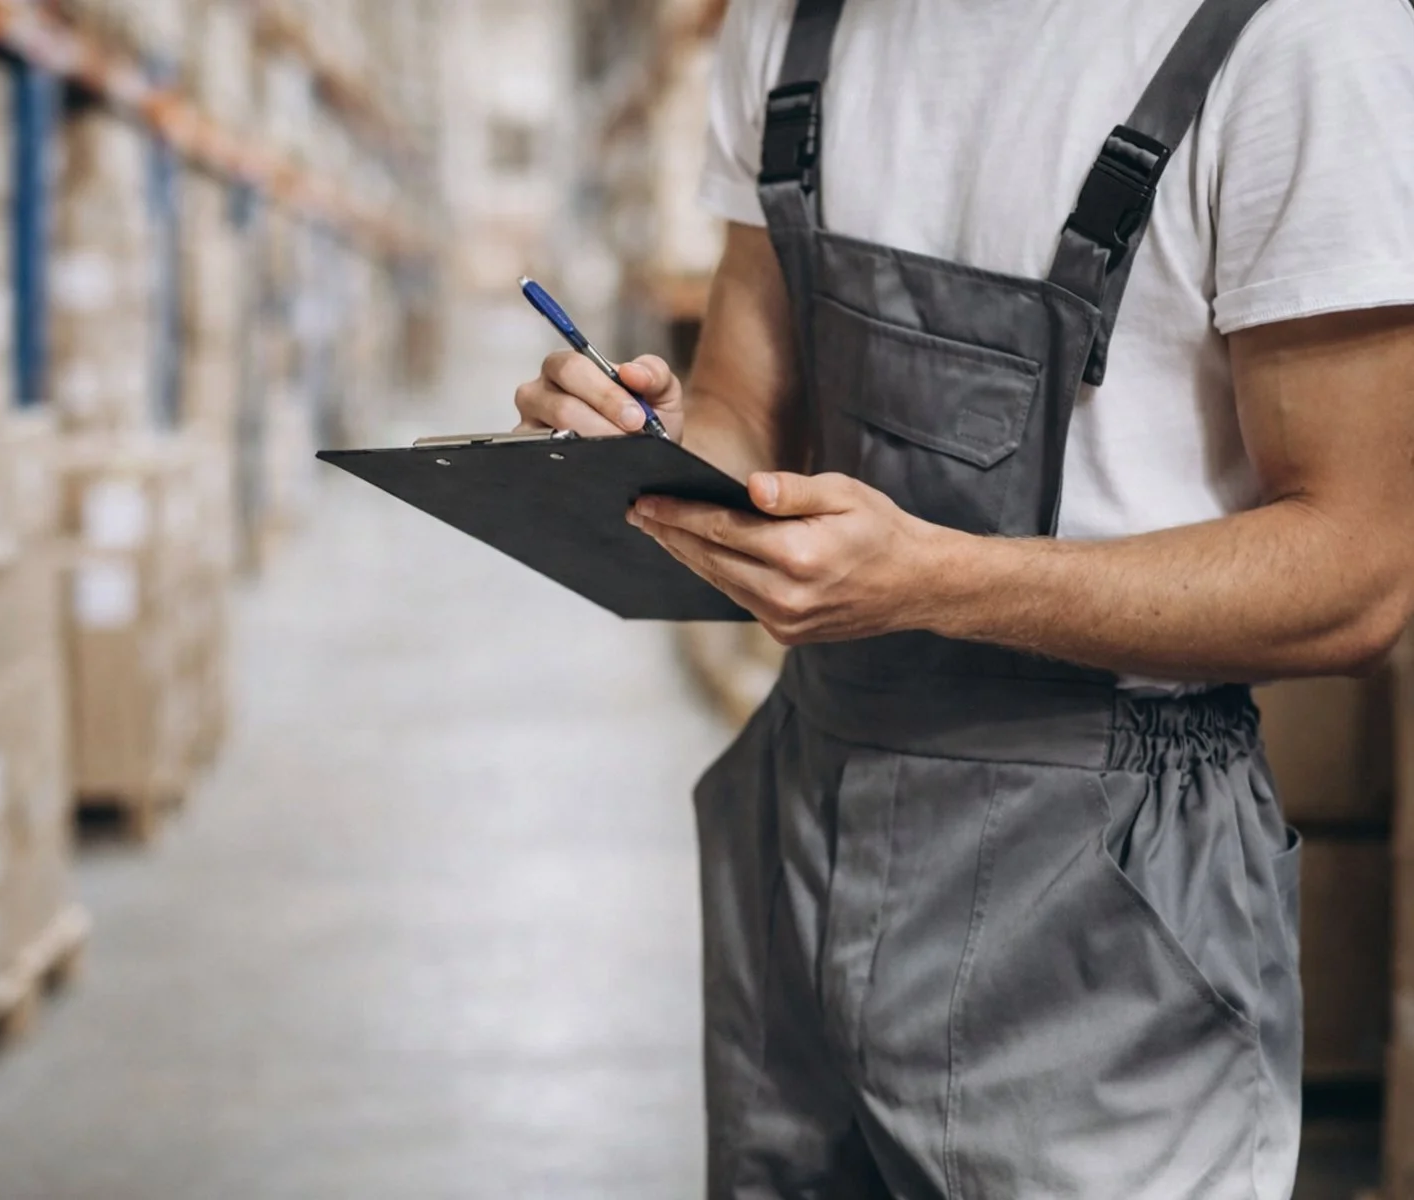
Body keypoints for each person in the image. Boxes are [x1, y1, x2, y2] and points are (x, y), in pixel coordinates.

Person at [512, 0, 1414, 1195]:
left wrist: (932, 581)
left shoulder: (1299, 41)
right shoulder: (789, 31)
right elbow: (747, 403)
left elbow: (1356, 573)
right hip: (809, 802)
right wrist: (655, 448)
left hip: (1105, 876)